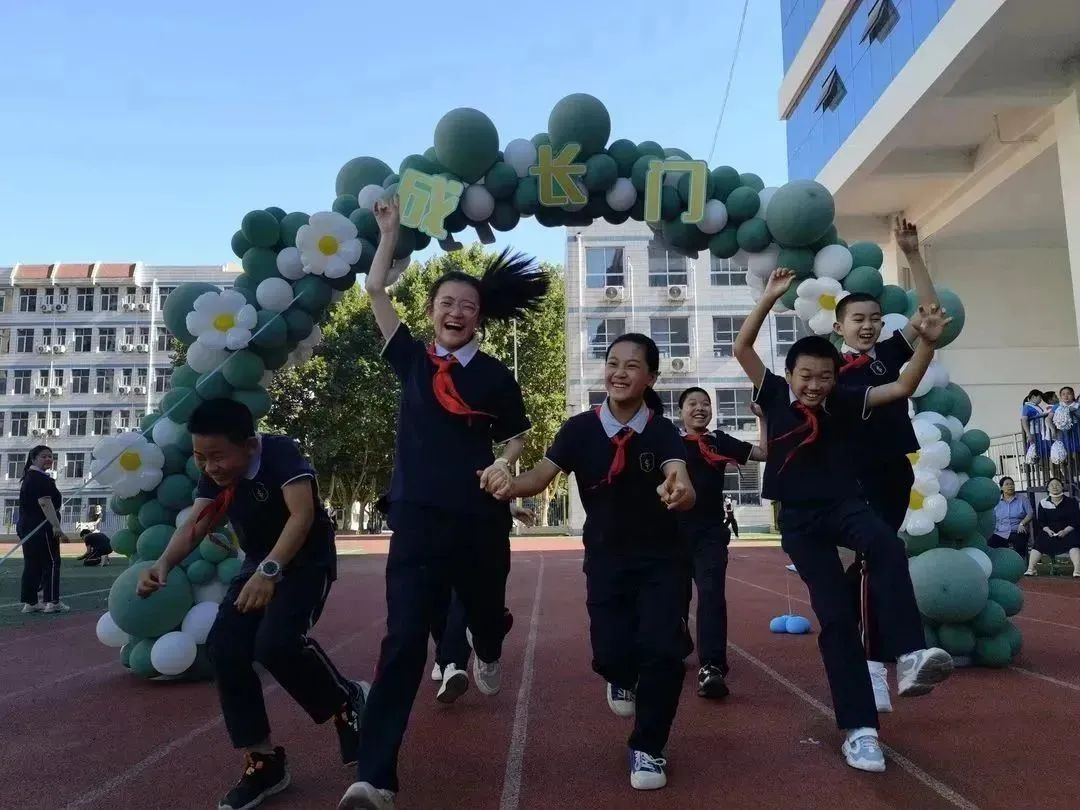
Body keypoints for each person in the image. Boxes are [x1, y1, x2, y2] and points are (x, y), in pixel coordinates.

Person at [339, 196, 548, 810]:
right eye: (446, 303)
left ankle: (488, 642)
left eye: (467, 305)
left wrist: (506, 464)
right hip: (417, 518)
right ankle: (375, 777)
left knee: (486, 613)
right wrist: (388, 233)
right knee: (402, 641)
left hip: (481, 520)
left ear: (479, 318)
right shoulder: (410, 359)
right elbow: (376, 290)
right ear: (431, 312)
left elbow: (516, 434)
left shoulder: (494, 375)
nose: (456, 312)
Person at [734, 268, 954, 774]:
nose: (814, 385)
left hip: (845, 506)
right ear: (789, 376)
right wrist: (768, 298)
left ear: (837, 378)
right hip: (802, 525)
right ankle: (860, 730)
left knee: (885, 546)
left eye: (824, 376)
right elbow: (744, 347)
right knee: (835, 619)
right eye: (806, 376)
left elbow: (900, 388)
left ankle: (911, 654)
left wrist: (927, 346)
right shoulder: (771, 393)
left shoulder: (844, 401)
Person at [483, 333, 696, 792]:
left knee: (663, 652)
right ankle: (620, 677)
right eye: (612, 362)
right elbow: (540, 477)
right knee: (610, 653)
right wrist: (507, 482)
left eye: (632, 365)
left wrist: (680, 490)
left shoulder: (661, 431)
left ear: (651, 377)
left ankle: (648, 746)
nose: (619, 372)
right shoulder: (579, 430)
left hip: (663, 561)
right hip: (606, 560)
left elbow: (679, 475)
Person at [137, 398, 366, 810]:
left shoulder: (280, 452)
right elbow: (197, 525)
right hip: (259, 562)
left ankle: (346, 702)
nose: (211, 467)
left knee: (276, 644)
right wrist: (163, 563)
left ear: (249, 445)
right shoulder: (214, 475)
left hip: (305, 563)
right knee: (226, 648)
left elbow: (302, 516)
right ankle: (264, 762)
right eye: (201, 458)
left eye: (219, 456)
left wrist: (270, 571)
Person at [832, 217, 940, 713]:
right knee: (877, 558)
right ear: (839, 326)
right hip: (856, 477)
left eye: (875, 317)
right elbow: (902, 388)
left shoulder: (884, 355)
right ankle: (883, 663)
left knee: (876, 566)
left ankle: (878, 663)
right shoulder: (832, 375)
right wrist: (926, 347)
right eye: (858, 319)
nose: (869, 324)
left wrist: (913, 255)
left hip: (895, 470)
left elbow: (928, 316)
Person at [677, 386, 765, 698]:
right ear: (681, 411)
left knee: (712, 596)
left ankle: (711, 667)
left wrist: (762, 419)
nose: (700, 408)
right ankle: (679, 645)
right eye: (692, 404)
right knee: (675, 599)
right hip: (673, 534)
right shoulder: (669, 443)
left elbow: (763, 453)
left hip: (710, 534)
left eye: (705, 403)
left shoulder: (719, 441)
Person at [429, 503, 534, 702]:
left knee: (464, 593)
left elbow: (486, 483)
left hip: (482, 527)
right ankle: (447, 655)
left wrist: (507, 507)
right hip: (441, 524)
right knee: (440, 596)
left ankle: (455, 661)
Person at [17, 445, 70, 614]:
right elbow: (45, 502)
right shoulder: (40, 479)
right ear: (33, 459)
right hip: (41, 528)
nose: (48, 459)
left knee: (33, 564)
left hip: (27, 527)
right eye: (44, 456)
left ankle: (31, 602)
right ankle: (52, 602)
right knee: (52, 562)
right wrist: (56, 526)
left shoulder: (29, 477)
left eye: (50, 456)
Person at [1026, 477, 1080, 577]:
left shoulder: (1071, 502)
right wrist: (1048, 530)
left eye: (1058, 485)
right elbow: (1042, 521)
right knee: (1039, 543)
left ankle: (1077, 570)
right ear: (1048, 488)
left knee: (1074, 543)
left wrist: (1065, 531)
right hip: (1049, 531)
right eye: (1052, 485)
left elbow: (1076, 520)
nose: (1055, 487)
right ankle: (1031, 569)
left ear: (1062, 487)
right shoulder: (1043, 503)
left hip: (1068, 530)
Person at [989, 477, 1033, 559]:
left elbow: (1030, 513)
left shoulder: (1022, 499)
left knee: (1020, 543)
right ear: (1001, 487)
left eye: (1012, 484)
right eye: (1007, 484)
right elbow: (991, 516)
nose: (1010, 486)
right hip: (1000, 531)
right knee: (991, 543)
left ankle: (1020, 564)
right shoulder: (996, 501)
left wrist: (1022, 523)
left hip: (1017, 530)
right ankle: (999, 564)